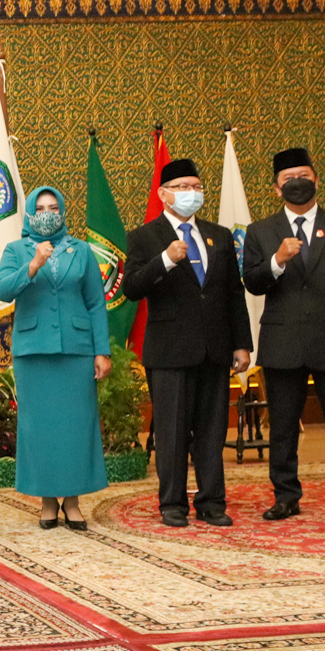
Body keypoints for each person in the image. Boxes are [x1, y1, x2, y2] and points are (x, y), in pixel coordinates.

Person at [241, 148, 325, 524]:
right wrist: (277, 261)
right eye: (288, 178)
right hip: (283, 344)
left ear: (316, 180)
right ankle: (286, 496)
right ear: (276, 188)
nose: (297, 182)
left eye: (303, 175)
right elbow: (252, 282)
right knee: (282, 428)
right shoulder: (260, 231)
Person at [123, 157, 253, 528]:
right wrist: (165, 259)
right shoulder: (144, 237)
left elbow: (233, 293)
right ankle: (173, 504)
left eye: (196, 187)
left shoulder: (219, 235)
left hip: (215, 348)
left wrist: (241, 343)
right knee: (172, 432)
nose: (190, 193)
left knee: (212, 431)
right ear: (163, 194)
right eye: (182, 187)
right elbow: (131, 288)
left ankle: (212, 503)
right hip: (169, 350)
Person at [0, 186, 109, 531]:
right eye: (40, 208)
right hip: (33, 353)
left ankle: (72, 501)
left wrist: (101, 350)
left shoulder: (81, 250)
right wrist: (33, 265)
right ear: (30, 214)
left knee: (76, 427)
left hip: (77, 350)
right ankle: (46, 501)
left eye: (53, 207)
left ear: (62, 212)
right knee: (39, 429)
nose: (47, 213)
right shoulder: (16, 250)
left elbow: (95, 303)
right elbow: (1, 290)